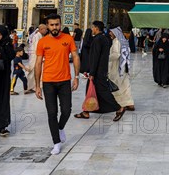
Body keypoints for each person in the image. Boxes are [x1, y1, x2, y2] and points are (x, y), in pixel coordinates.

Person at [35, 14, 80, 155]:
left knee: (67, 110)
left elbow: (76, 56)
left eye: (57, 24)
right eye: (52, 24)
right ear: (47, 26)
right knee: (52, 113)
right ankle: (56, 142)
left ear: (60, 24)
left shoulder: (68, 39)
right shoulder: (42, 42)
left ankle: (60, 129)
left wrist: (77, 76)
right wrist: (37, 85)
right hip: (48, 82)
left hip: (64, 80)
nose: (55, 27)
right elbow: (37, 63)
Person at [87, 21, 124, 120]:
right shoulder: (105, 38)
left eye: (93, 27)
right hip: (102, 69)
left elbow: (95, 57)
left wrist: (92, 72)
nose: (92, 29)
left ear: (96, 28)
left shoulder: (97, 40)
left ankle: (119, 108)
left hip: (98, 71)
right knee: (90, 90)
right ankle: (86, 111)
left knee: (103, 91)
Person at [109, 27, 135, 110]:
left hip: (117, 67)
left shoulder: (117, 41)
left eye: (111, 32)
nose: (110, 34)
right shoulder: (124, 40)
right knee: (126, 85)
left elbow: (116, 55)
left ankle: (120, 104)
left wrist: (105, 58)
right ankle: (129, 103)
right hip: (124, 66)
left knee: (117, 85)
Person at [26, 24, 47, 94]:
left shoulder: (40, 36)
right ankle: (30, 86)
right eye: (45, 29)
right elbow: (37, 47)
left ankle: (35, 86)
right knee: (33, 70)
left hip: (37, 55)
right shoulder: (37, 36)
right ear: (41, 29)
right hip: (35, 55)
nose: (46, 31)